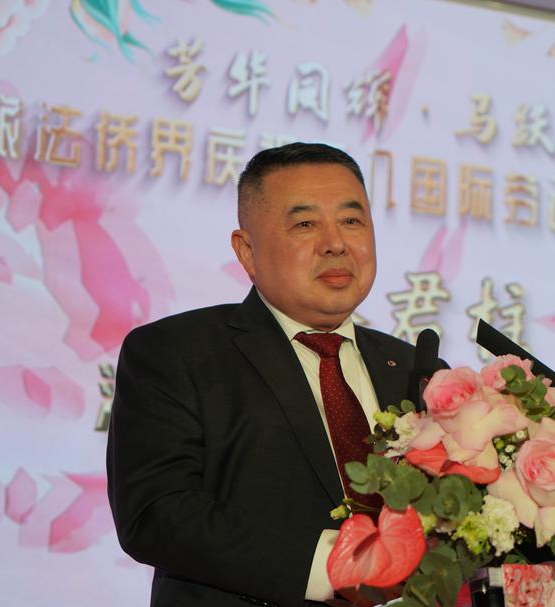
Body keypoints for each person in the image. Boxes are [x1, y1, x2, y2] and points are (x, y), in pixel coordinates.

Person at [107, 143, 433, 606]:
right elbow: (156, 512)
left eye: (351, 220)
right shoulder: (178, 352)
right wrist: (336, 568)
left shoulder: (415, 369)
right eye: (305, 224)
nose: (336, 243)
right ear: (247, 252)